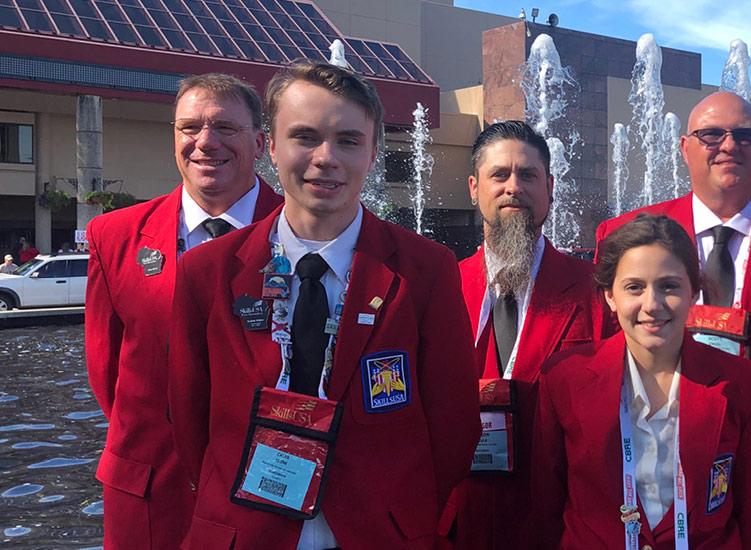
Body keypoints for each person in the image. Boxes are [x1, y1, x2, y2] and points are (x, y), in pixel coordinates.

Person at [167, 60, 480, 549]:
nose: (326, 158)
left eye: (349, 141)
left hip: (382, 534)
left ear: (373, 152)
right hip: (244, 534)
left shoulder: (425, 271)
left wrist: (398, 510)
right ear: (270, 145)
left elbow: (454, 424)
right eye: (306, 136)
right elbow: (189, 420)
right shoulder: (207, 272)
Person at [84, 73, 283, 550]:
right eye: (190, 127)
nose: (205, 143)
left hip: (265, 486)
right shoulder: (113, 236)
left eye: (225, 129)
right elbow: (106, 368)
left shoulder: (303, 232)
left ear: (259, 142)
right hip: (150, 489)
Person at [533, 214, 751, 548]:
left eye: (669, 286)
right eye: (634, 287)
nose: (652, 304)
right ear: (610, 296)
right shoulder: (564, 379)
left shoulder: (743, 383)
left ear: (694, 291)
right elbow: (546, 502)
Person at [446, 120, 608, 548]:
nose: (513, 187)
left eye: (528, 175)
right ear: (473, 187)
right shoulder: (440, 286)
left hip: (554, 519)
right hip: (460, 519)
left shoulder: (594, 291)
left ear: (550, 188)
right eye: (499, 175)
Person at [595, 91, 751, 355]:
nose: (729, 146)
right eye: (711, 135)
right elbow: (608, 346)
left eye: (745, 136)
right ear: (684, 148)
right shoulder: (621, 236)